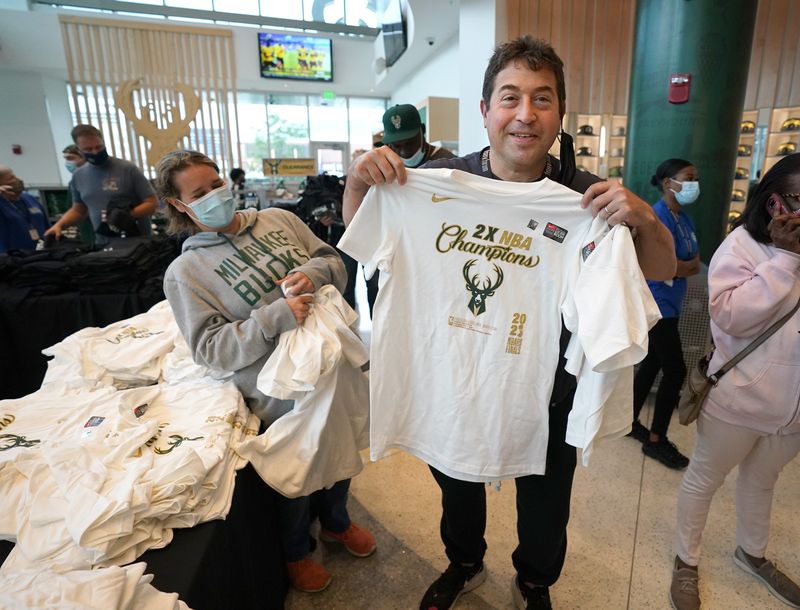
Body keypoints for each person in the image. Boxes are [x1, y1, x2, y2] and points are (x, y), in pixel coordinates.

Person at [343, 36, 676, 610]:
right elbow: (366, 242)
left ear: (560, 115)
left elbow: (663, 269)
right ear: (485, 111)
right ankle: (464, 563)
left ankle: (534, 583)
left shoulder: (584, 199)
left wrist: (644, 218)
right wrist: (357, 184)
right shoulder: (434, 185)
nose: (525, 114)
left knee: (547, 504)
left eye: (542, 99)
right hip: (455, 373)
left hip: (549, 388)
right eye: (510, 97)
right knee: (456, 485)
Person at [154, 150, 376, 594]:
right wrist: (275, 316)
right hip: (278, 394)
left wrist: (312, 275)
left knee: (342, 451)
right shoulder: (186, 273)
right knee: (294, 478)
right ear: (180, 206)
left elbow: (333, 261)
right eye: (200, 193)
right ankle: (296, 551)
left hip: (332, 369)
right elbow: (210, 349)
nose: (215, 195)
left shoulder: (278, 218)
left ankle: (336, 521)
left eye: (216, 184)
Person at [669, 153, 800, 610]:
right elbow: (729, 316)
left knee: (763, 482)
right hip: (739, 398)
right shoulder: (743, 245)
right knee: (705, 478)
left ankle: (753, 553)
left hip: (793, 411)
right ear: (773, 203)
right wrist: (784, 261)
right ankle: (686, 561)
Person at [628, 159, 700, 469]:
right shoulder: (655, 217)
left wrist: (678, 268)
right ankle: (656, 439)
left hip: (673, 300)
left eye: (695, 178)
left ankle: (629, 420)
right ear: (668, 182)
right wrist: (678, 268)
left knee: (653, 361)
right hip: (656, 304)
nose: (694, 183)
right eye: (688, 178)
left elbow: (693, 262)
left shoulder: (683, 219)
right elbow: (659, 266)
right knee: (675, 369)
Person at [45, 124, 157, 241]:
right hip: (103, 243)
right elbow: (78, 210)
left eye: (99, 147)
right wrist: (59, 225)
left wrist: (129, 215)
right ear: (79, 149)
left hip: (138, 242)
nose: (95, 152)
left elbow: (152, 204)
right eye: (88, 149)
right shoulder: (78, 176)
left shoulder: (127, 169)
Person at [380, 104, 455, 168]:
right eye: (397, 146)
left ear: (422, 130)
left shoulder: (449, 164)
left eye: (410, 143)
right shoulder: (387, 166)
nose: (404, 153)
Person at [0, 165, 51, 253]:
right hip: (11, 259)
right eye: (11, 178)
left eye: (15, 175)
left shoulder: (30, 198)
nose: (18, 179)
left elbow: (47, 226)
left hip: (42, 254)